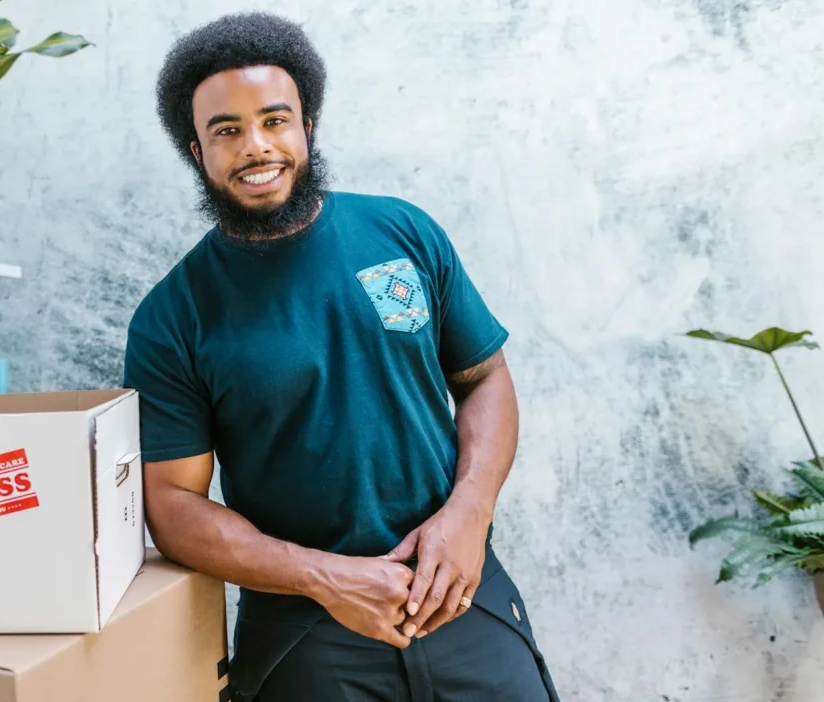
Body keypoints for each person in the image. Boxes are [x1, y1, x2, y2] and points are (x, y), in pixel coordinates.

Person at [123, 11, 560, 702]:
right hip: (305, 627)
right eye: (227, 131)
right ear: (196, 150)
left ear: (307, 125)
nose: (256, 147)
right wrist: (324, 577)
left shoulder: (403, 232)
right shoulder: (172, 317)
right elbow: (172, 503)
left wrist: (469, 514)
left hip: (459, 587)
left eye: (274, 120)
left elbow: (485, 379)